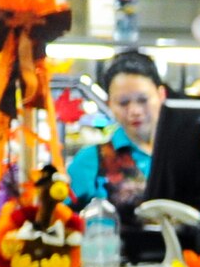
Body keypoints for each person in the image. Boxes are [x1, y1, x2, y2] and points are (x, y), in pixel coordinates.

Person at [68, 50, 164, 213]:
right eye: (123, 102)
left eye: (142, 100)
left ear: (161, 95)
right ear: (109, 104)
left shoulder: (185, 154)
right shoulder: (91, 160)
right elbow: (61, 220)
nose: (134, 110)